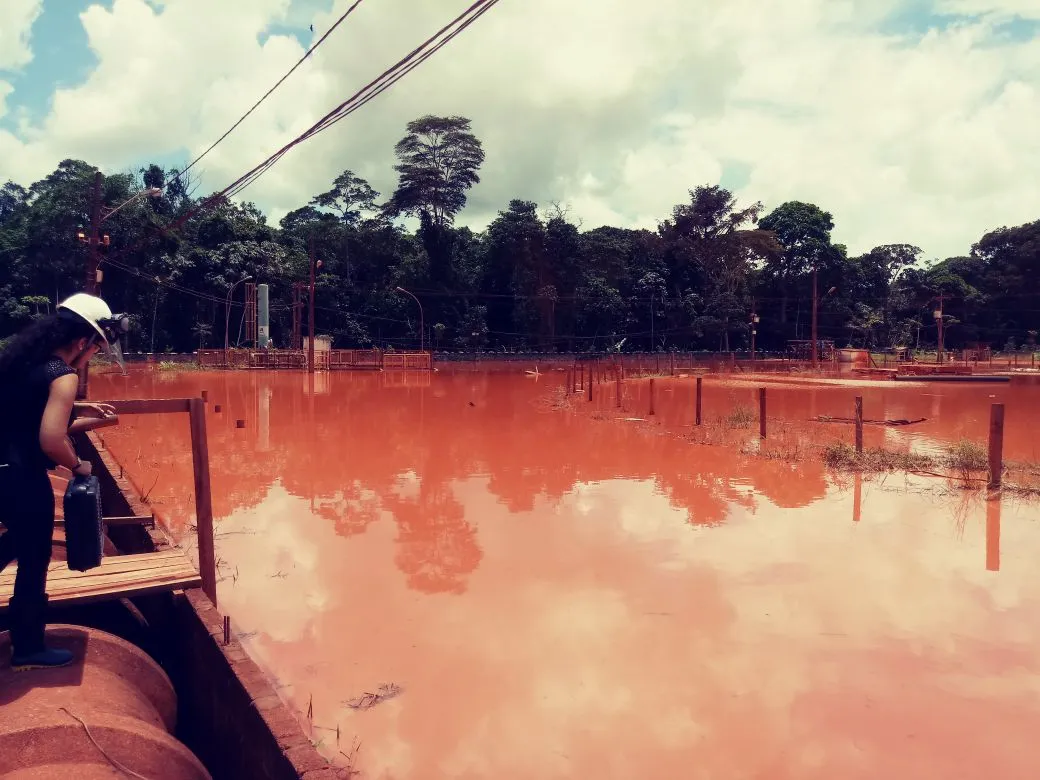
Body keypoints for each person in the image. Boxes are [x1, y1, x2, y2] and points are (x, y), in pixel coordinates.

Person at [0, 293, 127, 670]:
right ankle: (27, 647)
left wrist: (89, 414)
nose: (91, 358)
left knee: (15, 543)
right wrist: (78, 465)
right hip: (23, 479)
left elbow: (32, 420)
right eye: (95, 350)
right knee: (34, 558)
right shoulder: (62, 373)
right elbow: (51, 439)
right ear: (82, 341)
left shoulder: (18, 364)